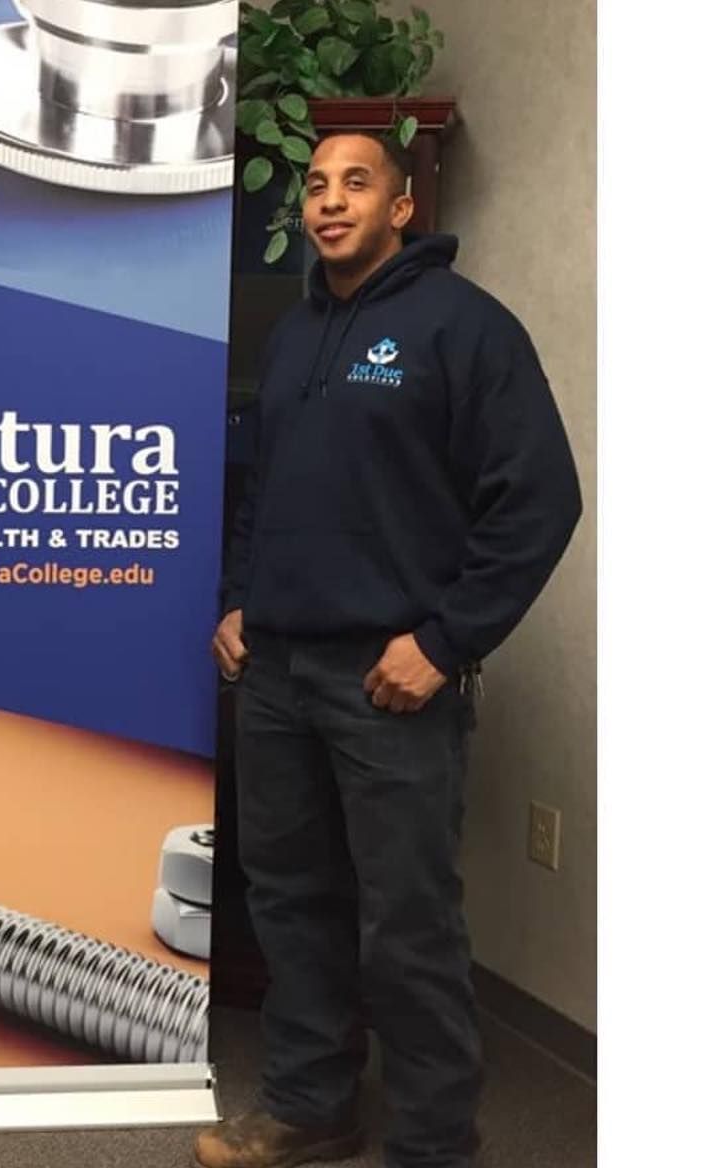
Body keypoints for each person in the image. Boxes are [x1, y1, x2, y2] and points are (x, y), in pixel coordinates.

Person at [195, 132, 581, 1168]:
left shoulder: (466, 328)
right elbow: (260, 488)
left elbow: (540, 499)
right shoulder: (293, 335)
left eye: (355, 183)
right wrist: (240, 599)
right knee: (290, 902)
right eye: (316, 185)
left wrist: (447, 642)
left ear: (402, 208)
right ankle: (311, 1104)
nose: (329, 202)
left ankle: (434, 1141)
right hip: (275, 674)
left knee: (406, 927)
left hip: (391, 686)